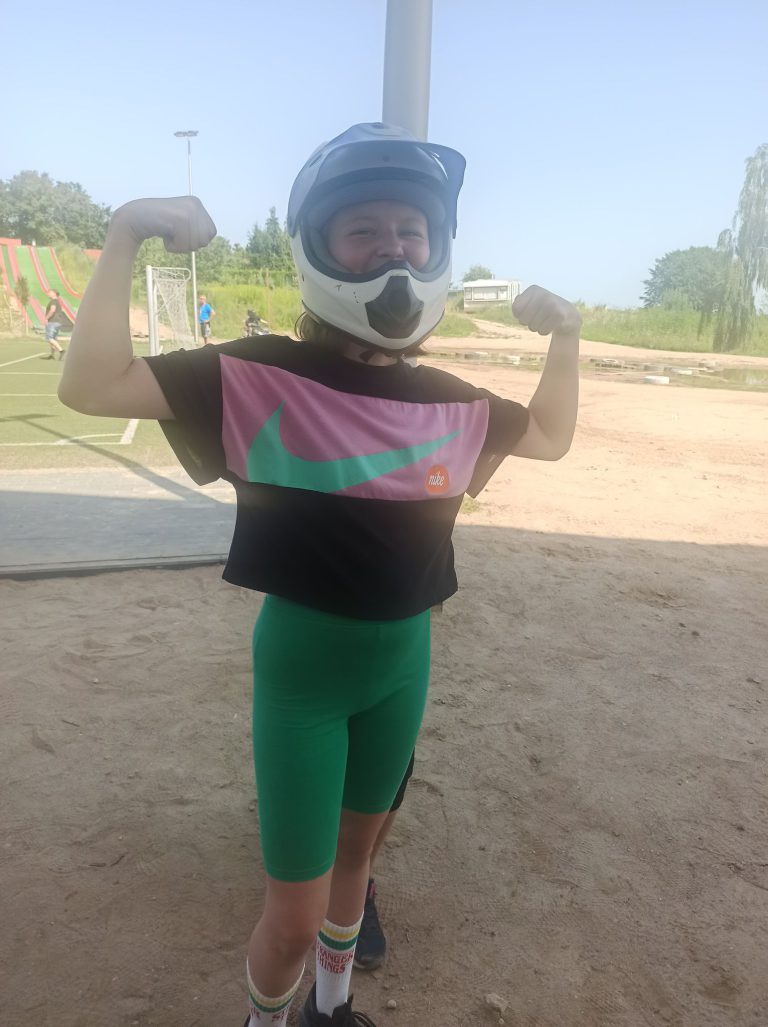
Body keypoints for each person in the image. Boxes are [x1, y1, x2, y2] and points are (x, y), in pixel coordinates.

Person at [59, 122, 582, 1027]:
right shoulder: (257, 378)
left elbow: (548, 435)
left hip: (403, 666)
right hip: (303, 678)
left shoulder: (453, 403)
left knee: (357, 869)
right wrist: (126, 231)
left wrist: (566, 336)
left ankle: (330, 1010)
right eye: (363, 230)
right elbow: (93, 384)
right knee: (294, 916)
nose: (394, 250)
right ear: (318, 248)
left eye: (412, 231)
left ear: (438, 249)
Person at [43, 288, 66, 359]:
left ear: (54, 293)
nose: (47, 294)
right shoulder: (57, 301)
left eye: (49, 292)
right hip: (57, 322)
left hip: (53, 322)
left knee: (49, 338)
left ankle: (61, 350)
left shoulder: (53, 301)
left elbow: (52, 310)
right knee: (53, 339)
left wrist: (46, 318)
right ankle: (52, 355)